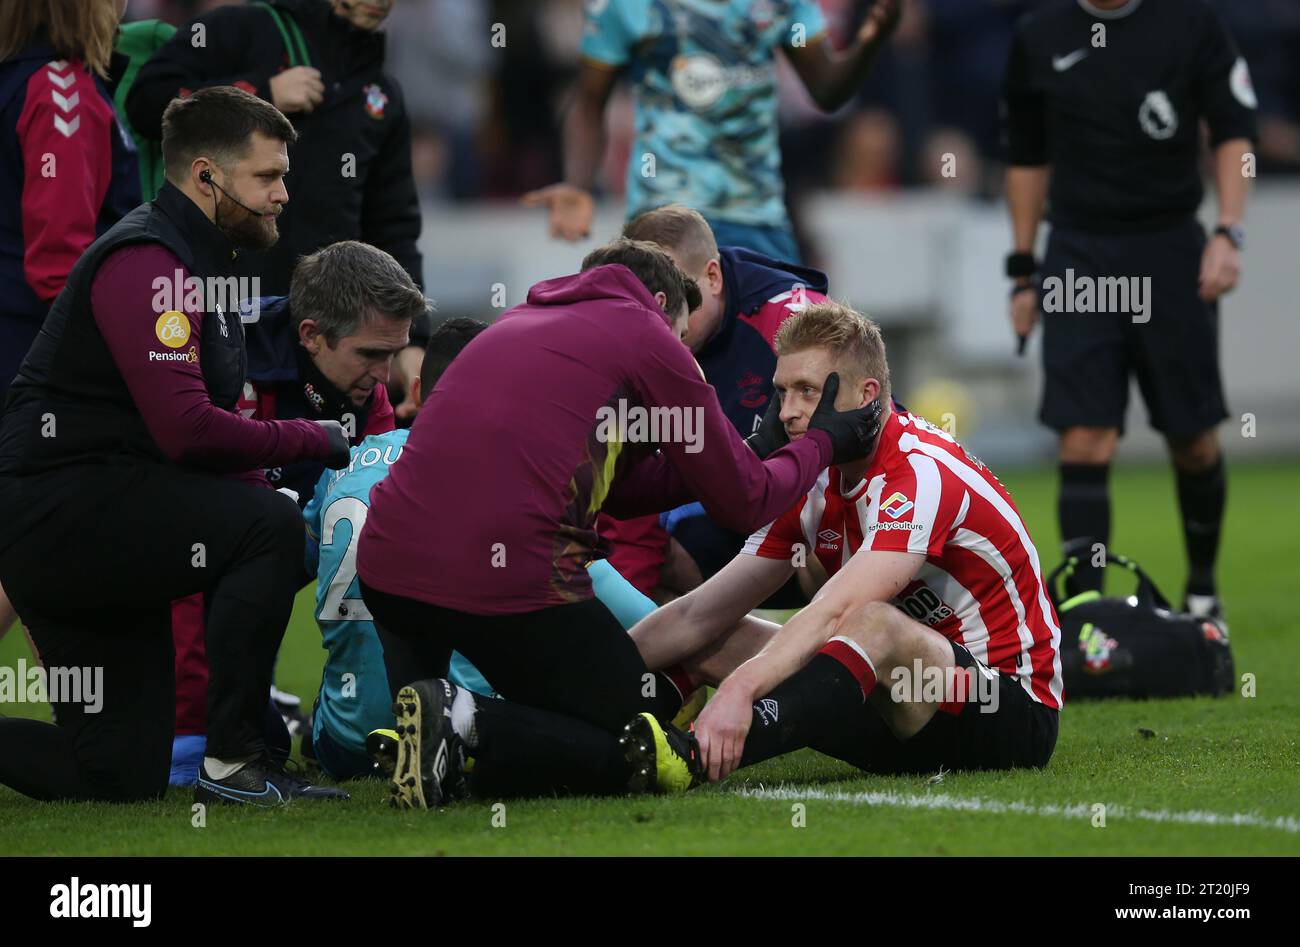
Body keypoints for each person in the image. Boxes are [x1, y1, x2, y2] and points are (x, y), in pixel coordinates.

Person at [355, 238, 883, 807]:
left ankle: (441, 741)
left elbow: (622, 492)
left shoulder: (520, 321)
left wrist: (752, 450)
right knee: (644, 738)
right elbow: (746, 504)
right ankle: (466, 721)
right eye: (683, 336)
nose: (685, 350)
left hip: (389, 569)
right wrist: (823, 442)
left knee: (570, 715)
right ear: (660, 303)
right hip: (507, 577)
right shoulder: (646, 334)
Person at [0, 86, 351, 806]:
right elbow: (186, 431)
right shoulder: (150, 263)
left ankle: (230, 758)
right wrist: (313, 437)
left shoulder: (204, 259)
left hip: (91, 514)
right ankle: (235, 762)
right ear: (205, 176)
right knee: (268, 524)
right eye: (267, 177)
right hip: (64, 515)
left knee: (117, 776)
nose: (284, 193)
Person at [619, 301, 1063, 788]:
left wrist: (741, 689)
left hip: (1006, 710)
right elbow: (697, 614)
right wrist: (594, 669)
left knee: (871, 621)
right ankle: (611, 742)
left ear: (865, 393)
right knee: (712, 634)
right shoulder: (811, 477)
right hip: (892, 706)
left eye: (807, 392)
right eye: (782, 392)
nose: (788, 413)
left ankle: (693, 758)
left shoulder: (919, 472)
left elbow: (839, 612)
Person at [305, 318, 662, 780]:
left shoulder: (344, 465)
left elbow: (300, 561)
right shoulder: (513, 487)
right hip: (459, 731)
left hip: (346, 744)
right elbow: (649, 621)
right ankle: (462, 721)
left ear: (417, 391)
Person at [1002, 0, 1257, 618]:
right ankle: (1089, 606)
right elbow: (1026, 157)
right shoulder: (1039, 35)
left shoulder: (1192, 23)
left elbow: (1233, 130)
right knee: (1085, 438)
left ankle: (1201, 589)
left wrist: (1228, 231)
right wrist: (1022, 271)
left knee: (1193, 439)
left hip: (1170, 249)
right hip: (1079, 253)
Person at [168, 239, 428, 786]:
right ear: (311, 335)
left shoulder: (365, 395)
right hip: (169, 542)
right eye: (371, 355)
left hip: (270, 539)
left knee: (366, 539)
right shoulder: (222, 353)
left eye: (394, 353)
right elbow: (189, 552)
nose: (386, 377)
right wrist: (195, 725)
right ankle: (202, 733)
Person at [125, 0, 431, 420]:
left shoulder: (383, 93)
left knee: (320, 473)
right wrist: (257, 93)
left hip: (326, 333)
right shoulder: (246, 26)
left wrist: (413, 342)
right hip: (221, 304)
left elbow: (393, 225)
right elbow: (147, 101)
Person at [523, 0, 905, 260]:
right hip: (663, 221)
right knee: (670, 365)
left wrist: (869, 41)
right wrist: (577, 185)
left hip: (759, 217)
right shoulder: (625, 7)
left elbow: (825, 90)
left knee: (773, 367)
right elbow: (590, 100)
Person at [598, 204, 832, 604]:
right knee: (631, 548)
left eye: (679, 297)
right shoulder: (636, 345)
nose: (663, 317)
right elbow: (628, 511)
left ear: (712, 276)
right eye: (647, 303)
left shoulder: (795, 322)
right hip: (731, 515)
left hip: (819, 511)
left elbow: (864, 426)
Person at [0, 0, 141, 645]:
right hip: (39, 362)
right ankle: (102, 735)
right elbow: (63, 266)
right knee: (43, 552)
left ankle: (92, 735)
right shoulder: (58, 88)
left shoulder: (21, 78)